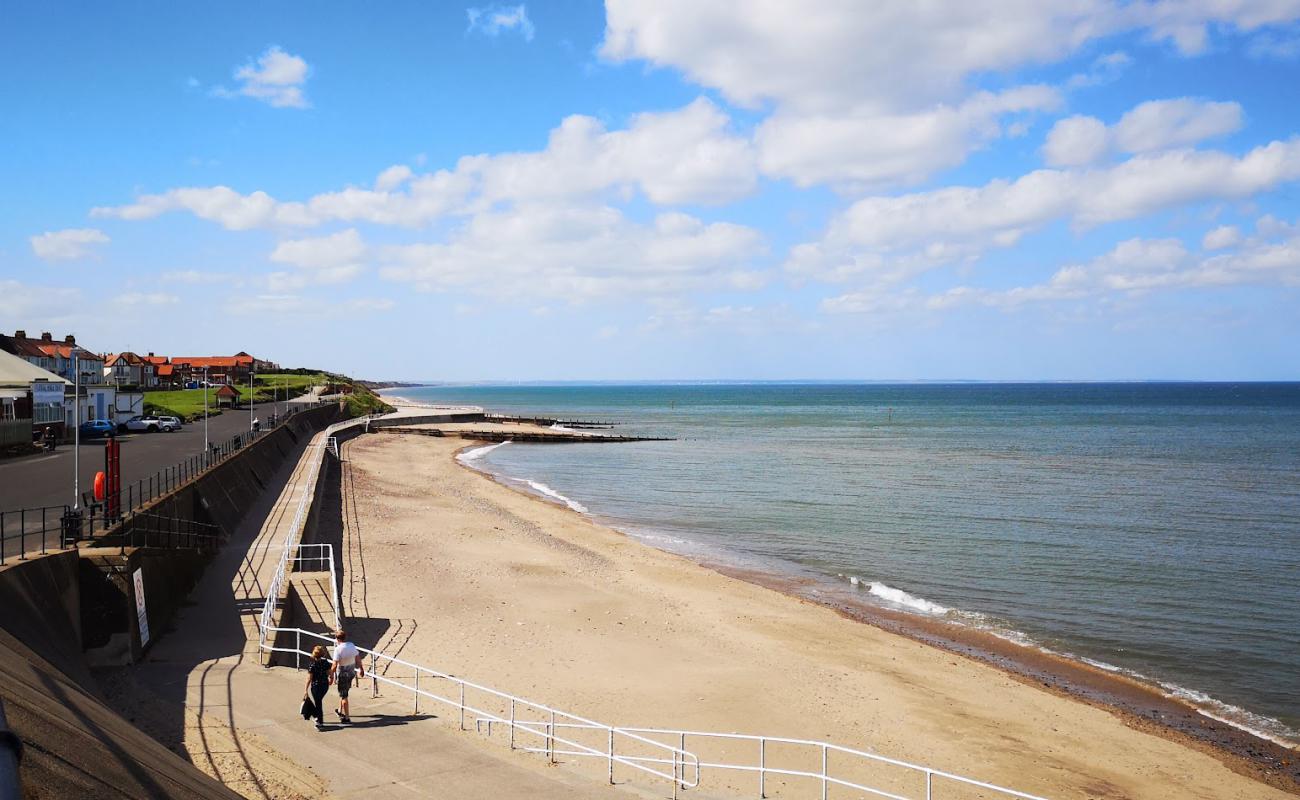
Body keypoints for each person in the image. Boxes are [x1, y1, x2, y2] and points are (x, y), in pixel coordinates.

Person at [330, 630, 365, 724]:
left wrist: (331, 675)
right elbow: (357, 658)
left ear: (337, 639)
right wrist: (361, 668)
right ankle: (340, 710)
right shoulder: (351, 645)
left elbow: (334, 665)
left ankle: (347, 717)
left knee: (344, 695)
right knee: (344, 691)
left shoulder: (338, 649)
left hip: (343, 675)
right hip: (351, 673)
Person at [302, 645, 332, 730]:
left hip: (316, 686)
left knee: (318, 703)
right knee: (318, 702)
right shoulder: (325, 662)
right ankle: (317, 717)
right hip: (324, 685)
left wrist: (305, 690)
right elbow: (330, 673)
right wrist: (331, 679)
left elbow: (309, 678)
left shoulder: (312, 665)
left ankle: (319, 720)